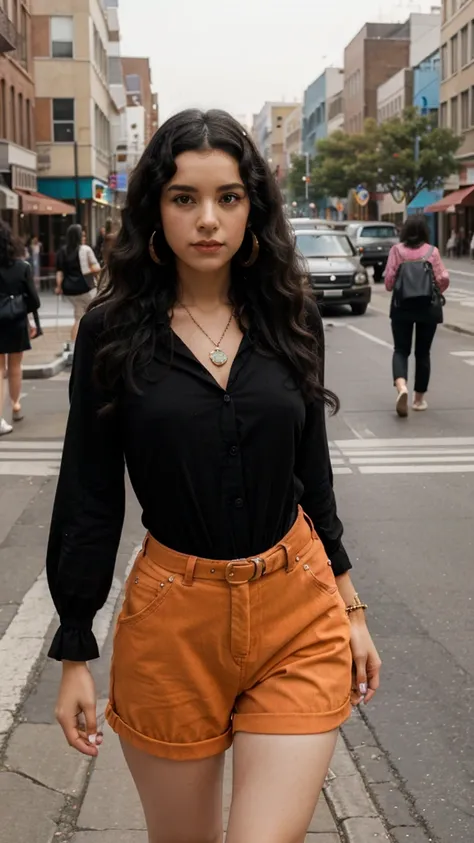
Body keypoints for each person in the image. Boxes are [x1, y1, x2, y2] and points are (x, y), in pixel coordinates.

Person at [47, 109, 381, 843]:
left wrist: (350, 607)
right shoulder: (113, 329)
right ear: (153, 209)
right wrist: (75, 646)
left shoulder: (289, 315)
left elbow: (312, 475)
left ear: (252, 206)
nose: (207, 219)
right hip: (172, 621)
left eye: (228, 197)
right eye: (183, 198)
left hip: (297, 610)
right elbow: (89, 491)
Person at [385, 215, 450, 417]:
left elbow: (388, 282)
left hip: (402, 307)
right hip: (427, 308)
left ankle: (402, 386)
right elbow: (443, 278)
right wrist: (437, 289)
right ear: (425, 231)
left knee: (401, 350)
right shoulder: (432, 252)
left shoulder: (397, 251)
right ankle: (419, 399)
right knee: (423, 353)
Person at [0, 221, 41, 434]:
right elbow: (35, 301)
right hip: (16, 321)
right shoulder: (22, 267)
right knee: (15, 365)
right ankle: (15, 405)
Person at [55, 224, 101, 345]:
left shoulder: (62, 251)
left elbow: (59, 272)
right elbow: (97, 267)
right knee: (95, 312)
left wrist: (59, 287)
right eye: (83, 234)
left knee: (78, 317)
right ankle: (92, 342)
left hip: (69, 289)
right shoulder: (85, 249)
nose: (84, 237)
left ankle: (75, 344)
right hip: (85, 287)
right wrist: (88, 270)